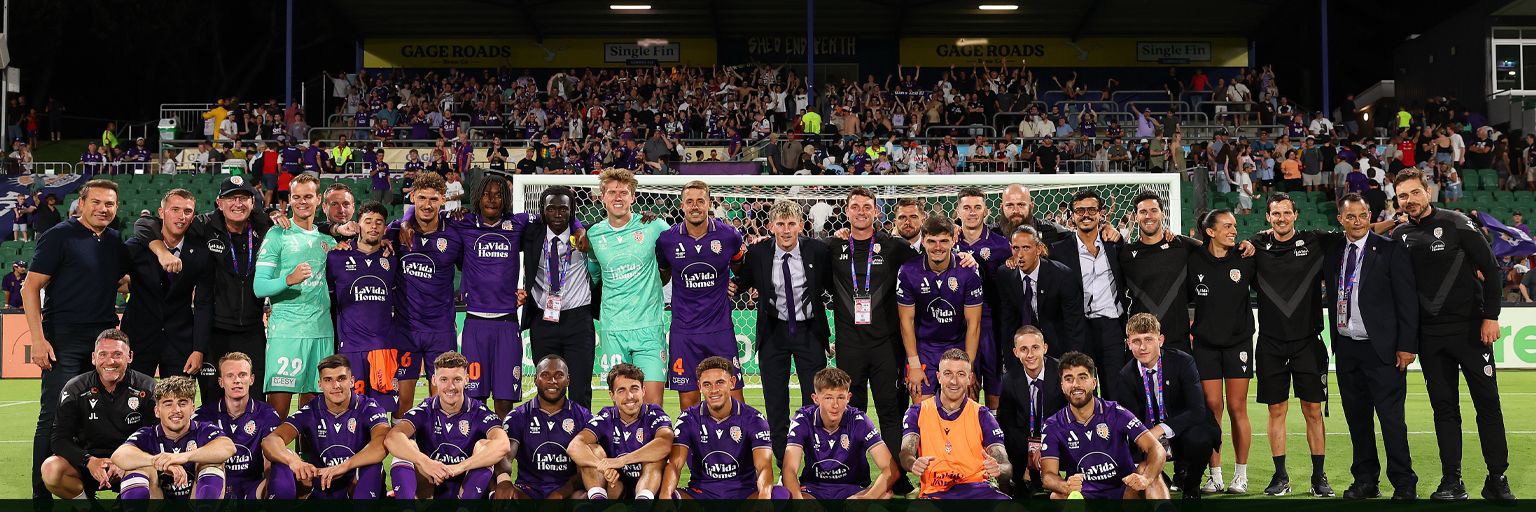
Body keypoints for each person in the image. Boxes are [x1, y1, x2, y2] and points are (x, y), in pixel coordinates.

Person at [1388, 169, 1513, 501]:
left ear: (1428, 192)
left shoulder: (1457, 223)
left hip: (1471, 332)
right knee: (1444, 409)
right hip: (1430, 338)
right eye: (1402, 196)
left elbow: (1492, 270)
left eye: (1415, 192)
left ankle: (1497, 478)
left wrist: (1491, 316)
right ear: (1397, 201)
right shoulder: (1399, 235)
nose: (1410, 200)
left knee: (1488, 404)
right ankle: (1452, 481)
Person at [26, 179, 131, 500]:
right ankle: (41, 498)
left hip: (103, 341)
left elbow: (119, 281)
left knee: (96, 415)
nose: (103, 209)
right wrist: (38, 340)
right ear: (81, 204)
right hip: (64, 339)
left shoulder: (113, 240)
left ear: (116, 207)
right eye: (96, 202)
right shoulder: (58, 235)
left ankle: (92, 487)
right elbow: (30, 287)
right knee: (54, 415)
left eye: (109, 204)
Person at [136, 175, 276, 404]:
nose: (237, 204)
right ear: (219, 203)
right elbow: (145, 224)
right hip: (214, 332)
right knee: (212, 401)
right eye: (230, 198)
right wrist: (162, 252)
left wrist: (275, 213)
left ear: (253, 202)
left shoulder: (266, 226)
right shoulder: (203, 225)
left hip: (252, 330)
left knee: (254, 399)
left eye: (243, 198)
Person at [819, 187, 921, 495]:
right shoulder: (831, 248)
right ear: (846, 211)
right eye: (855, 207)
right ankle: (855, 475)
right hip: (849, 346)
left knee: (890, 412)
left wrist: (965, 259)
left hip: (885, 346)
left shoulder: (894, 247)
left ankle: (897, 477)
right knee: (852, 411)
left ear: (876, 212)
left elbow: (928, 262)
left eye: (867, 207)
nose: (861, 212)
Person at [1326, 193, 1419, 500]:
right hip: (1347, 349)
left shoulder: (1390, 249)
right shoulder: (1334, 250)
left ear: (1370, 216)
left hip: (1383, 351)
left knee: (1392, 421)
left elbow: (1407, 301)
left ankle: (1404, 483)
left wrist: (1407, 345)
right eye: (1350, 216)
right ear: (1341, 219)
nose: (1357, 222)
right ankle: (1366, 480)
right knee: (1358, 420)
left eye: (1363, 215)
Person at [1247, 192, 1336, 496]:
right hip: (1270, 343)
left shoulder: (1316, 241)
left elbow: (1355, 232)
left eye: (1287, 213)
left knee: (1313, 409)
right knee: (1276, 410)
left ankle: (1319, 477)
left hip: (1308, 341)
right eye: (1276, 213)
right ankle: (1280, 476)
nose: (1282, 218)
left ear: (1296, 215)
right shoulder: (1256, 246)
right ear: (1267, 217)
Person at [733, 199, 834, 460]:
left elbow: (835, 284)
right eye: (780, 224)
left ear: (801, 225)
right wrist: (729, 284)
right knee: (776, 402)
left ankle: (815, 462)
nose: (786, 230)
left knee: (814, 400)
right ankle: (782, 463)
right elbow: (740, 283)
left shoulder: (818, 251)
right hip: (773, 332)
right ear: (770, 226)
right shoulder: (758, 253)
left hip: (809, 332)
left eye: (791, 224)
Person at [581, 168, 669, 404]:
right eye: (611, 192)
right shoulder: (594, 234)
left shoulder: (654, 226)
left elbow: (683, 249)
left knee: (653, 407)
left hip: (649, 328)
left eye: (623, 192)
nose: (617, 197)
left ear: (633, 197)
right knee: (624, 406)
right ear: (602, 197)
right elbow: (591, 276)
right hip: (613, 329)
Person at [1110, 313, 1221, 499]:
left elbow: (1197, 410)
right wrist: (1146, 438)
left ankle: (1191, 487)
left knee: (1201, 439)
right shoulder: (1125, 376)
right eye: (1136, 341)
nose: (1142, 347)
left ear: (1160, 340)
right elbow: (1130, 421)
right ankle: (1161, 479)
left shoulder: (1183, 361)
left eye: (1148, 339)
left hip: (1181, 430)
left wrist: (1160, 429)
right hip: (1147, 437)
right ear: (1128, 344)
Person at [449, 173, 533, 417]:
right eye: (487, 194)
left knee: (505, 397)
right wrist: (405, 221)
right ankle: (479, 437)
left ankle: (502, 438)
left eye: (498, 195)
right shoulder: (464, 222)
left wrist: (579, 229)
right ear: (478, 197)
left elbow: (557, 215)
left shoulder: (517, 223)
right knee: (475, 397)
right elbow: (421, 215)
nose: (492, 199)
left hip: (507, 322)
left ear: (505, 198)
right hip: (475, 323)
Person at [657, 181, 746, 410]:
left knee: (735, 401)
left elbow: (740, 267)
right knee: (689, 406)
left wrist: (734, 283)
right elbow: (663, 275)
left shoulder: (729, 236)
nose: (695, 206)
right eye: (689, 201)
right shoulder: (667, 240)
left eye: (700, 201)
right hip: (684, 332)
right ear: (682, 205)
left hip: (720, 329)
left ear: (709, 204)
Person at [253, 173, 336, 417]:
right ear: (289, 199)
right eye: (296, 197)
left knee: (313, 413)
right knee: (277, 413)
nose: (302, 202)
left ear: (318, 199)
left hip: (321, 331)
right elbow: (259, 287)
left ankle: (306, 445)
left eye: (308, 196)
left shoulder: (327, 241)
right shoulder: (277, 234)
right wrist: (289, 279)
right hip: (287, 333)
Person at [40, 330, 157, 499]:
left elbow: (154, 436)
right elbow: (59, 439)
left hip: (132, 463)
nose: (110, 361)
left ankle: (128, 501)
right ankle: (86, 505)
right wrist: (89, 461)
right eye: (103, 354)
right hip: (88, 464)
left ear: (130, 356)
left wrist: (125, 461)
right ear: (94, 358)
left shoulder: (149, 388)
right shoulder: (75, 389)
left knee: (156, 467)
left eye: (117, 354)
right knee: (51, 469)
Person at [1188, 209, 1256, 494]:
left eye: (1234, 226)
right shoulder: (1193, 259)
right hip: (1205, 344)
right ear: (1210, 231)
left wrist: (1253, 242)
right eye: (1227, 226)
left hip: (1238, 343)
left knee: (1237, 407)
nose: (1233, 231)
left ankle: (1241, 475)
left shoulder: (1245, 257)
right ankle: (1214, 475)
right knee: (1212, 408)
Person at [1040, 351, 1170, 499]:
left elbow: (1156, 448)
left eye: (1082, 377)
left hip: (1126, 492)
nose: (1076, 384)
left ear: (1094, 383)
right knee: (1056, 496)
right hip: (1085, 496)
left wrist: (1146, 478)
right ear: (1062, 386)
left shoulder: (1116, 412)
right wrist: (1066, 486)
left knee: (1147, 470)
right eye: (1069, 379)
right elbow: (1047, 476)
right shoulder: (1053, 425)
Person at [260, 354, 390, 499]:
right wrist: (293, 461)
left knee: (372, 466)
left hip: (355, 483)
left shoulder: (368, 407)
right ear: (320, 384)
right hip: (321, 482)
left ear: (352, 381)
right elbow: (270, 441)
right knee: (282, 462)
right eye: (328, 380)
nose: (336, 386)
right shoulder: (310, 410)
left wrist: (344, 466)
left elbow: (381, 443)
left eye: (341, 378)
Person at [387, 172, 462, 417]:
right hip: (405, 329)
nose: (427, 205)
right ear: (412, 198)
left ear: (443, 200)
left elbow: (472, 268)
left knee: (443, 400)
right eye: (422, 198)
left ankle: (438, 440)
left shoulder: (454, 233)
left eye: (433, 199)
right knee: (402, 402)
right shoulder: (396, 231)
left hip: (440, 330)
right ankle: (401, 444)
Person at [386, 352, 509, 500]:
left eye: (457, 379)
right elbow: (392, 438)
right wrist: (426, 462)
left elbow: (503, 444)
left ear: (466, 380)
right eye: (444, 379)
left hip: (466, 488)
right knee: (406, 448)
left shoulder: (479, 411)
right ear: (434, 380)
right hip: (429, 488)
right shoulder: (424, 410)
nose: (450, 387)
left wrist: (459, 467)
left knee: (485, 447)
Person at [520, 185, 598, 408]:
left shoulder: (587, 236)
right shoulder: (530, 234)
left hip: (579, 321)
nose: (557, 214)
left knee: (580, 388)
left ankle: (581, 430)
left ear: (572, 211)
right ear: (542, 211)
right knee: (547, 388)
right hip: (543, 320)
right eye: (551, 209)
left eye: (563, 209)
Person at [661, 356, 780, 499]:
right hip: (701, 495)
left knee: (779, 495)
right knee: (660, 494)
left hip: (744, 496)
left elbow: (763, 467)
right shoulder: (688, 419)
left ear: (732, 382)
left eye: (720, 382)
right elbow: (674, 465)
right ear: (699, 386)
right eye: (707, 384)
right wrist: (665, 497)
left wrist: (764, 497)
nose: (714, 390)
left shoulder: (754, 419)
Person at [898, 349, 1011, 499]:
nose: (954, 381)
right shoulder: (917, 412)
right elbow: (906, 452)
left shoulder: (982, 415)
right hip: (935, 493)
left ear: (970, 378)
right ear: (938, 377)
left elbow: (1005, 465)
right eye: (948, 374)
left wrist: (999, 469)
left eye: (961, 374)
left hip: (978, 491)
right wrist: (913, 464)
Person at [897, 215, 983, 403]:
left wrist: (968, 367)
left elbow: (974, 323)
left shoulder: (968, 271)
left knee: (964, 409)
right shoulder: (908, 271)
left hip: (959, 347)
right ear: (923, 241)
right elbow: (906, 321)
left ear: (953, 240)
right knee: (923, 410)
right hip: (924, 349)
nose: (938, 247)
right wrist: (914, 364)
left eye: (944, 241)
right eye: (932, 241)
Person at [123, 189, 208, 380]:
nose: (181, 216)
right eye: (175, 210)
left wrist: (199, 349)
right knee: (133, 397)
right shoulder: (136, 247)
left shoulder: (200, 252)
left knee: (179, 397)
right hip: (138, 339)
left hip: (180, 341)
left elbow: (204, 303)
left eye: (187, 211)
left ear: (193, 216)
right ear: (161, 213)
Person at [1048, 190, 1127, 393]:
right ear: (1072, 215)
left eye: (1092, 210)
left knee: (1116, 391)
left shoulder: (1115, 245)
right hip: (1076, 329)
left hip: (1111, 328)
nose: (1086, 215)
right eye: (1080, 210)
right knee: (1080, 391)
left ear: (1100, 213)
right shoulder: (1058, 250)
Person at [325, 201, 401, 412]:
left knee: (382, 413)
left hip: (383, 349)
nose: (373, 226)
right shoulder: (336, 257)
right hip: (350, 349)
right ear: (358, 224)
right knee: (350, 412)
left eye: (379, 222)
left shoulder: (392, 258)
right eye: (368, 221)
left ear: (385, 228)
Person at [112, 376, 236, 500]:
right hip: (157, 504)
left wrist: (183, 457)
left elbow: (228, 447)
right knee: (136, 470)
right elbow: (119, 455)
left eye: (182, 403)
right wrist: (157, 461)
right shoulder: (147, 435)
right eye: (168, 404)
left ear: (192, 408)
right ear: (157, 411)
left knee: (212, 465)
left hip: (194, 503)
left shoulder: (204, 430)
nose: (176, 410)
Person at [782, 367, 897, 499]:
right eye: (828, 398)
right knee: (784, 497)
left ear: (848, 397)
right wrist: (799, 503)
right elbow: (789, 468)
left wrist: (867, 498)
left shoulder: (859, 421)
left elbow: (890, 469)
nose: (835, 405)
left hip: (853, 489)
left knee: (883, 495)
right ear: (816, 398)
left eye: (841, 397)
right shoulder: (803, 419)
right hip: (813, 489)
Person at [567, 363, 674, 500]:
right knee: (593, 449)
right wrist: (602, 466)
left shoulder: (654, 413)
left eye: (634, 388)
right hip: (615, 485)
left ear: (643, 391)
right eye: (621, 390)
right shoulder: (606, 416)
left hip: (648, 486)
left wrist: (622, 461)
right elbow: (574, 446)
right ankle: (598, 500)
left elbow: (665, 443)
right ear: (612, 395)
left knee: (655, 458)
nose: (629, 396)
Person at [495, 355, 593, 499]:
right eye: (545, 375)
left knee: (585, 498)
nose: (552, 381)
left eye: (559, 375)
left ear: (568, 380)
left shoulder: (583, 417)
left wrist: (561, 494)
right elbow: (505, 456)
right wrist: (504, 481)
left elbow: (587, 468)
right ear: (535, 379)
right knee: (505, 496)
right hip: (527, 490)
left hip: (568, 491)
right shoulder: (518, 416)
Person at [953, 187, 1013, 409]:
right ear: (958, 211)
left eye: (977, 207)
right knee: (966, 387)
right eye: (967, 207)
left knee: (995, 386)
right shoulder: (949, 243)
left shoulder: (1001, 245)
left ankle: (994, 428)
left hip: (991, 325)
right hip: (958, 326)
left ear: (986, 211)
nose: (972, 212)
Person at [1120, 191, 1201, 354]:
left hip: (1178, 340)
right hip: (1142, 342)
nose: (1148, 216)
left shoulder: (1181, 245)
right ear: (1135, 217)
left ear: (1163, 214)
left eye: (1154, 210)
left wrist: (1247, 244)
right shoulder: (1125, 253)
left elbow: (1213, 249)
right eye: (1143, 212)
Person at [192, 352, 282, 499]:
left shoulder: (267, 414)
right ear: (221, 382)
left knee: (282, 471)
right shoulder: (204, 415)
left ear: (251, 379)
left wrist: (271, 488)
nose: (237, 381)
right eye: (230, 376)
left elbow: (269, 461)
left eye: (242, 375)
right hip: (217, 487)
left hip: (253, 489)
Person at [995, 225, 1086, 362]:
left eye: (1026, 248)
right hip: (1023, 351)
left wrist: (1071, 361)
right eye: (1016, 248)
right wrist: (1010, 361)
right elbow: (1008, 322)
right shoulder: (1005, 275)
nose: (1020, 255)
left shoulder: (1061, 275)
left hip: (1058, 349)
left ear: (1038, 249)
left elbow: (1073, 324)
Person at [996, 326, 1066, 496]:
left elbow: (1069, 416)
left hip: (1059, 436)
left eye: (1035, 347)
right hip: (1024, 441)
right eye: (1024, 349)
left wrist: (1046, 445)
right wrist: (1029, 449)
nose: (1030, 354)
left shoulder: (1062, 373)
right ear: (1015, 352)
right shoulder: (1009, 380)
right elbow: (1006, 423)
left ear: (1045, 348)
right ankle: (1019, 480)